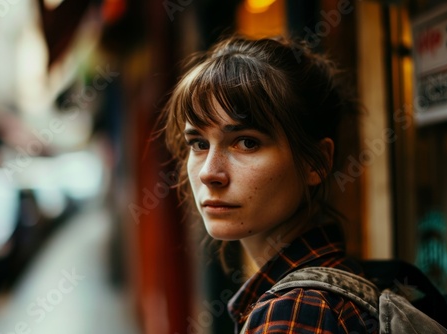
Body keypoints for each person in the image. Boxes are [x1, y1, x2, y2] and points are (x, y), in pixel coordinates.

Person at [162, 35, 377, 333]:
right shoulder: (346, 281)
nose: (209, 173)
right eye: (198, 143)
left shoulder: (295, 312)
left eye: (247, 143)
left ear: (316, 162)